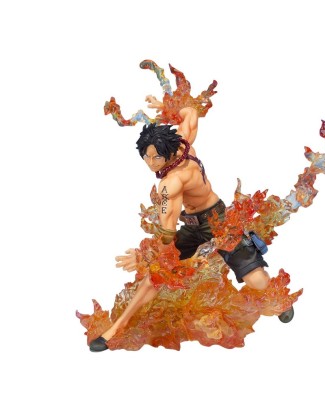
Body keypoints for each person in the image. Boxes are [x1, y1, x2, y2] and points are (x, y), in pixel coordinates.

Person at [89, 97, 291, 352]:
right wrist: (167, 108)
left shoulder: (170, 184)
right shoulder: (184, 144)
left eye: (156, 158)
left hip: (219, 222)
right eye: (146, 157)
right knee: (155, 277)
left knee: (257, 280)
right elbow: (190, 112)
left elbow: (166, 230)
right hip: (193, 226)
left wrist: (145, 256)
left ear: (167, 152)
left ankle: (280, 299)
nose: (151, 164)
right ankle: (117, 328)